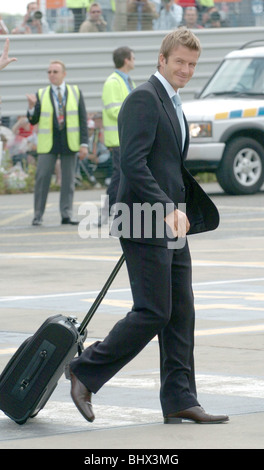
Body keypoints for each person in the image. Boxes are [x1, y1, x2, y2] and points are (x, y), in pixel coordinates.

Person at [69, 28, 229, 425]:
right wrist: (164, 207)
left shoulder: (173, 102)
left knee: (182, 312)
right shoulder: (143, 98)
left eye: (192, 64)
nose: (186, 70)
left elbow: (168, 164)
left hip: (170, 224)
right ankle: (85, 371)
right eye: (179, 62)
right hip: (142, 219)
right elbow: (133, 164)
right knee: (154, 310)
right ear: (162, 60)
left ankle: (178, 398)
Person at [26, 60, 88, 226]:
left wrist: (84, 144)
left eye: (55, 71)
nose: (51, 75)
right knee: (42, 179)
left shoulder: (75, 92)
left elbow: (83, 120)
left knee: (68, 181)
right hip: (49, 144)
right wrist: (31, 108)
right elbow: (33, 120)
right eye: (49, 72)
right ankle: (38, 215)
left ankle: (66, 214)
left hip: (69, 142)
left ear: (63, 74)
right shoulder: (41, 93)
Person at [99, 46, 136, 224]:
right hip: (118, 139)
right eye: (133, 58)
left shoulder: (128, 81)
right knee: (119, 176)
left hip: (128, 138)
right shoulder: (112, 82)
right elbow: (113, 110)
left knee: (126, 176)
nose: (134, 61)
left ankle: (122, 212)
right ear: (126, 60)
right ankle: (106, 212)